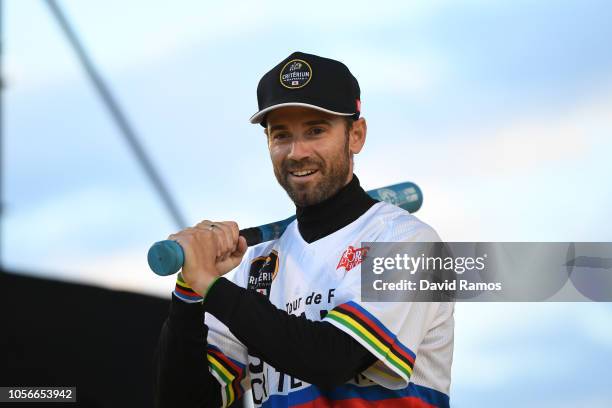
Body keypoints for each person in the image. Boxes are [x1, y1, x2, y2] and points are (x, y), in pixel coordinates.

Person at [153, 51, 454, 407]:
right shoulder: (256, 266)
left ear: (356, 135)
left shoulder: (408, 242)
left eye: (315, 130)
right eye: (281, 135)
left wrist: (213, 287)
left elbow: (331, 358)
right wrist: (190, 291)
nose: (297, 152)